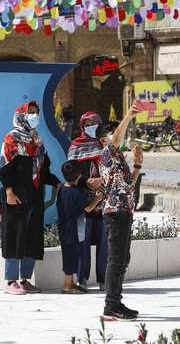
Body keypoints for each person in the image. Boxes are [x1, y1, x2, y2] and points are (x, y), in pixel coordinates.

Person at [0, 101, 62, 295]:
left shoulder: (38, 140)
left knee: (31, 235)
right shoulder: (12, 138)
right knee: (13, 234)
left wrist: (59, 183)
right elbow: (4, 167)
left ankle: (25, 280)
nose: (34, 116)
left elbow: (44, 170)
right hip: (16, 195)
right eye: (30, 113)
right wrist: (9, 192)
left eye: (36, 113)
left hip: (34, 195)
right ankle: (10, 281)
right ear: (21, 116)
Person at [97, 101, 144, 322]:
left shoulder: (118, 159)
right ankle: (110, 306)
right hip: (115, 213)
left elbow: (129, 186)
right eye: (114, 133)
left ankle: (116, 301)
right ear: (103, 140)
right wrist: (128, 115)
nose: (119, 136)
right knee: (116, 260)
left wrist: (136, 166)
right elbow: (116, 138)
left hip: (124, 211)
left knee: (123, 259)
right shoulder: (107, 152)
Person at [67, 111, 108, 292]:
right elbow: (70, 173)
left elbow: (115, 168)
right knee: (83, 242)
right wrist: (87, 184)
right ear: (82, 126)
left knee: (104, 243)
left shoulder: (106, 144)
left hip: (105, 202)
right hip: (84, 202)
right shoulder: (76, 146)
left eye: (95, 123)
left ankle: (104, 279)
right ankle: (82, 279)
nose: (91, 126)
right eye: (88, 123)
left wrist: (101, 180)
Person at [57, 160, 103, 294]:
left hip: (64, 228)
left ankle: (71, 283)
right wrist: (97, 199)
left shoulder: (62, 190)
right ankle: (67, 285)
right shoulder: (76, 193)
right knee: (71, 256)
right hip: (74, 230)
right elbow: (88, 208)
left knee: (68, 254)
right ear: (79, 176)